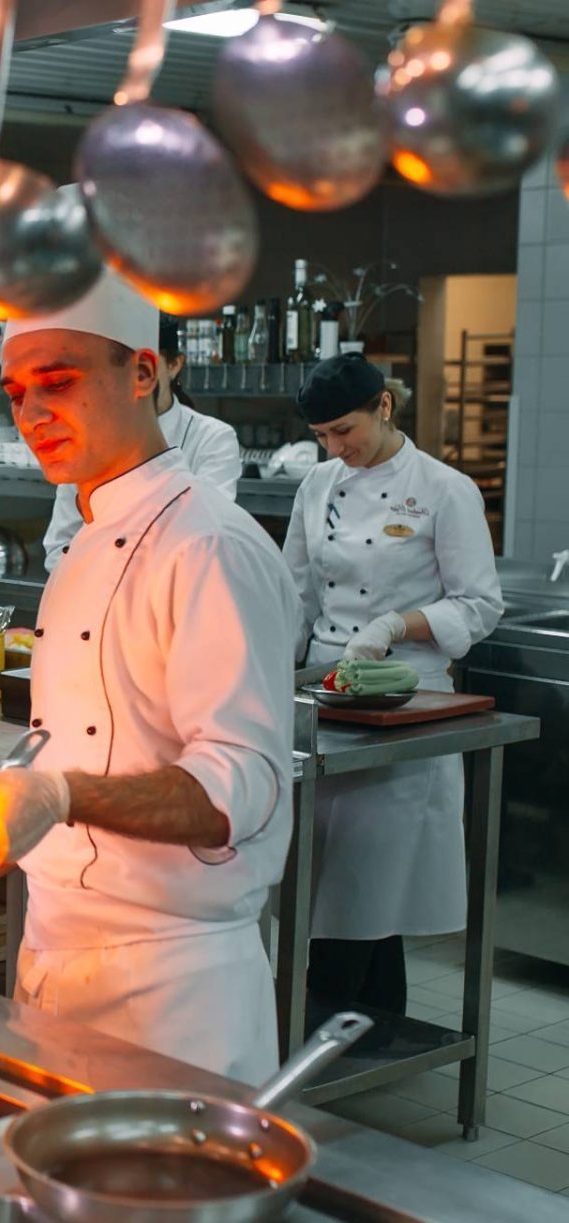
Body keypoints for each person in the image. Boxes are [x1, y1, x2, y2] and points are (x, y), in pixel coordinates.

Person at [0, 270, 299, 1083]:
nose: (32, 415)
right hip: (56, 956)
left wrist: (59, 797)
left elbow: (235, 788)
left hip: (172, 990)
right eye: (16, 392)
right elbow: (69, 740)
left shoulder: (209, 545)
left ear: (144, 374)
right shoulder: (82, 542)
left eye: (58, 384)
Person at [283, 353, 503, 1018]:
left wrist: (394, 625)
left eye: (344, 430)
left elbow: (479, 606)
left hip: (406, 696)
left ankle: (327, 1017)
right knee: (330, 872)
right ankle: (373, 1022)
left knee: (370, 869)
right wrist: (272, 674)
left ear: (384, 405)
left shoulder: (444, 489)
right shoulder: (316, 485)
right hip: (325, 692)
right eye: (322, 435)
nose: (335, 448)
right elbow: (296, 590)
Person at [42, 314, 241, 571]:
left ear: (174, 364)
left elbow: (205, 540)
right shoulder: (87, 442)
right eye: (122, 365)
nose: (134, 378)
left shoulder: (212, 439)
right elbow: (59, 549)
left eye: (146, 364)